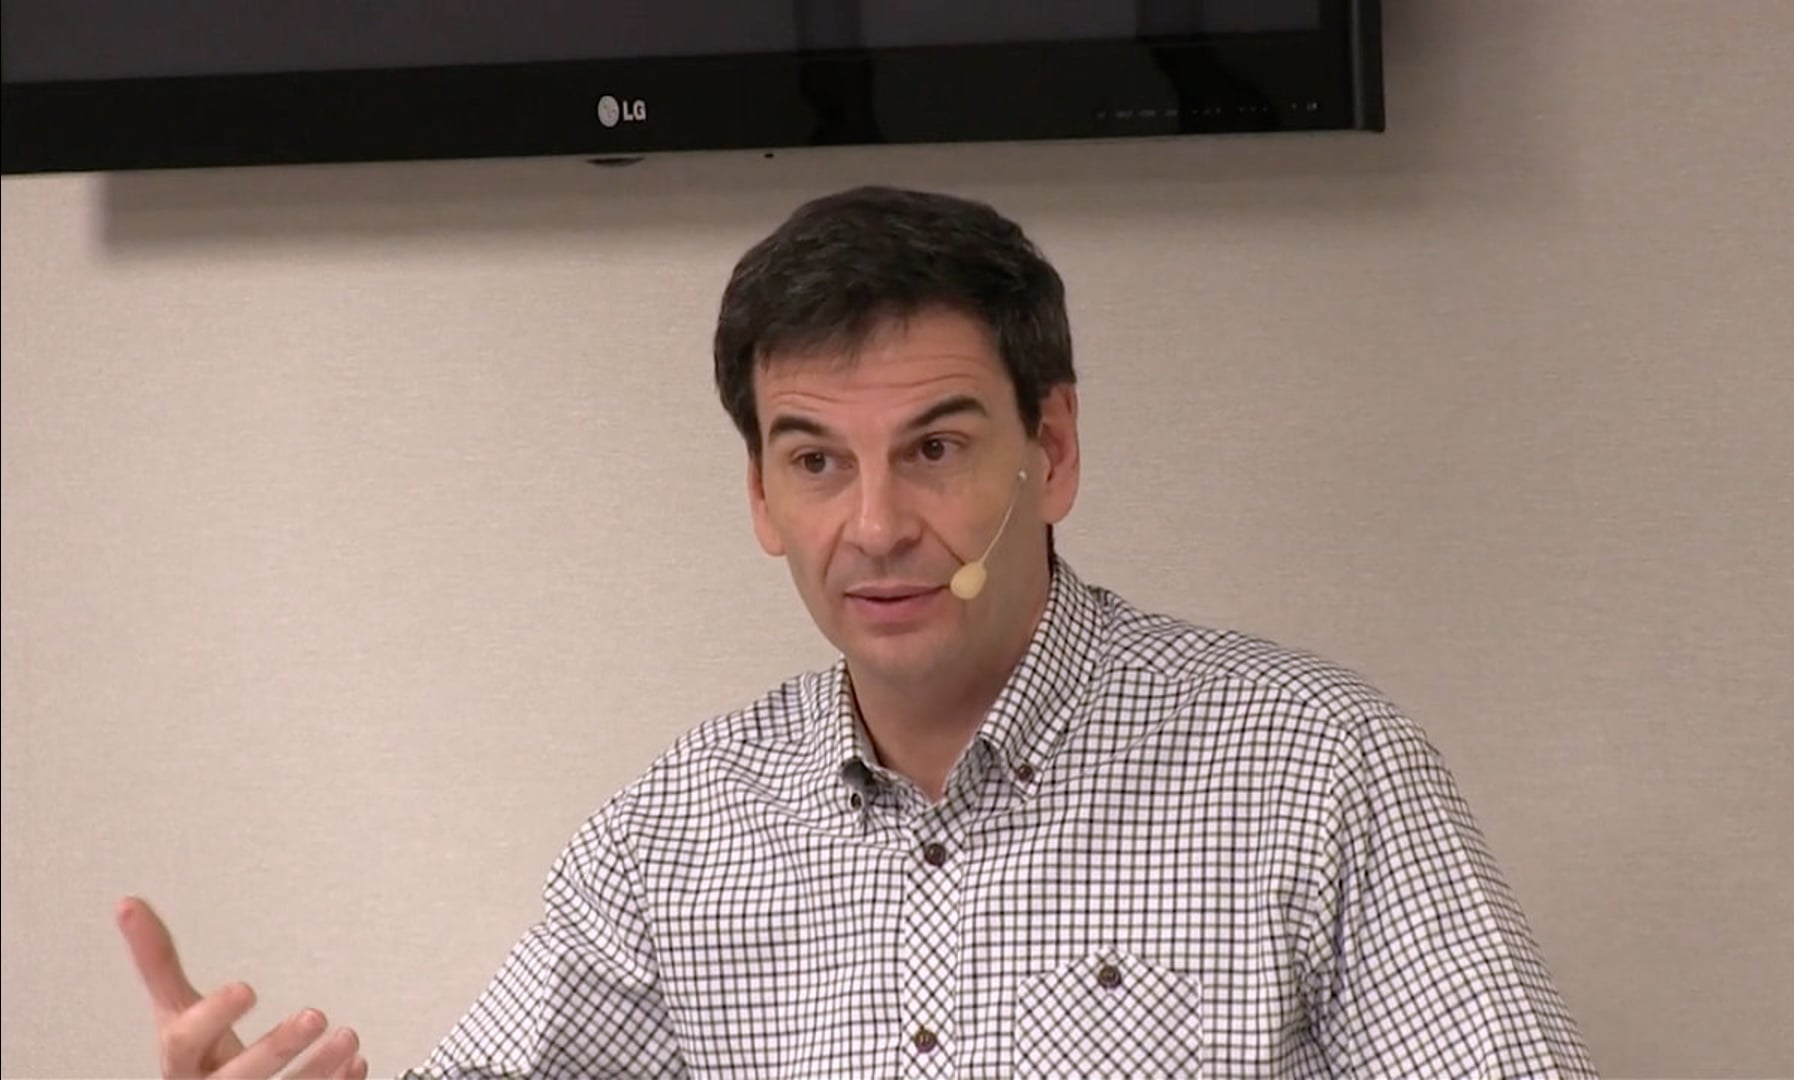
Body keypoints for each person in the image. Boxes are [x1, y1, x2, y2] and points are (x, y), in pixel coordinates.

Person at [119, 185, 1597, 1078]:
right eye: (817, 460)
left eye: (935, 449)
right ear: (762, 497)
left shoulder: (1316, 767)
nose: (876, 524)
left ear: (1051, 452)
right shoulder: (675, 837)